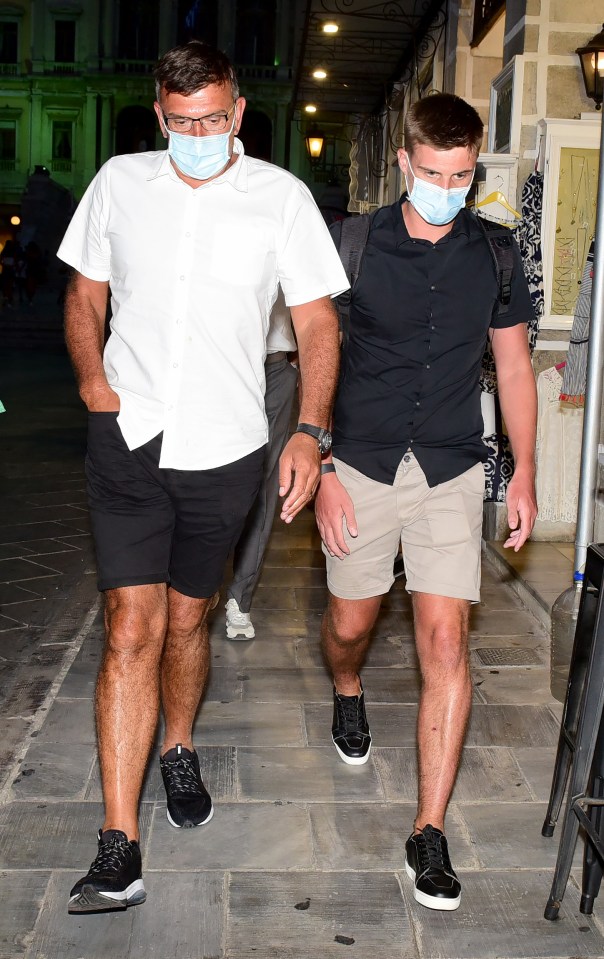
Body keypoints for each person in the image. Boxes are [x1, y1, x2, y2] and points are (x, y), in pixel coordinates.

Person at [58, 40, 347, 914]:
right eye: (181, 122)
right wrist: (91, 381)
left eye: (214, 119)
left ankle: (177, 743)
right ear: (159, 115)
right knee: (129, 627)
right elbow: (83, 294)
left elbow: (319, 323)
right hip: (130, 437)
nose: (198, 133)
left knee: (188, 621)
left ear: (238, 116)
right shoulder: (118, 183)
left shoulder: (281, 200)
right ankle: (119, 843)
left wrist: (309, 431)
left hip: (225, 448)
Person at [315, 93, 537, 912]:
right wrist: (325, 459)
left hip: (449, 466)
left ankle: (428, 831)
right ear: (405, 162)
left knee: (447, 643)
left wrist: (523, 471)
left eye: (463, 174)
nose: (448, 185)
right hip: (362, 464)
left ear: (475, 169)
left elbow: (513, 368)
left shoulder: (499, 253)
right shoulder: (355, 244)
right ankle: (347, 688)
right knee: (351, 627)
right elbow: (317, 351)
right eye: (434, 171)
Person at [225, 287, 298, 639]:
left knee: (265, 484)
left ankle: (240, 599)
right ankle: (192, 588)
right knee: (210, 479)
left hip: (275, 368)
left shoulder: (291, 230)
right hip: (220, 368)